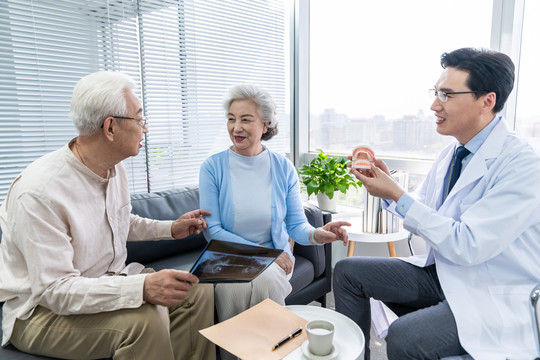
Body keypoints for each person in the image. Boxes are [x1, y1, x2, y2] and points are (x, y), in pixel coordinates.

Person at [333, 47, 540, 360]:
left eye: (446, 95)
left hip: (489, 290)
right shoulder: (453, 152)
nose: (433, 105)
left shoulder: (523, 166)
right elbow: (428, 209)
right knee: (348, 272)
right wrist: (389, 192)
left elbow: (468, 244)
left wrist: (397, 196)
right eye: (436, 93)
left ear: (487, 101)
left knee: (404, 337)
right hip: (443, 273)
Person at [0, 71, 216, 360]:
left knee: (195, 292)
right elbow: (54, 291)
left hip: (105, 280)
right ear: (110, 127)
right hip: (40, 312)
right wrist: (141, 287)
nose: (145, 128)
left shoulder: (114, 168)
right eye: (139, 119)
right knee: (146, 321)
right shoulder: (39, 193)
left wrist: (171, 228)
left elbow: (119, 221)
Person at [199, 84, 350, 359]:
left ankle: (266, 353)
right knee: (254, 280)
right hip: (226, 257)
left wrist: (318, 234)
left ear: (265, 124)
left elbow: (295, 225)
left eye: (245, 119)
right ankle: (268, 351)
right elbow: (213, 232)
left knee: (264, 279)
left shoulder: (282, 167)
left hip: (275, 259)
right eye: (231, 119)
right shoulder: (212, 167)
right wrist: (265, 255)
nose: (236, 127)